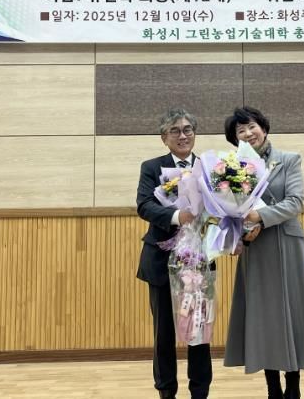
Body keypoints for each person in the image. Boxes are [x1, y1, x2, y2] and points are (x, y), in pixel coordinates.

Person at [223, 106, 304, 399]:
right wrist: (239, 231)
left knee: (291, 312)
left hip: (287, 244)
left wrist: (259, 216)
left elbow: (295, 202)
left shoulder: (289, 159)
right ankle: (272, 387)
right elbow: (229, 210)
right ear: (235, 139)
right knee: (263, 315)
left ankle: (293, 384)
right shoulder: (231, 169)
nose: (248, 133)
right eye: (240, 131)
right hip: (256, 247)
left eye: (251, 126)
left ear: (264, 128)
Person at [136, 108, 212, 399]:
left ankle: (200, 393)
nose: (183, 135)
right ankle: (166, 393)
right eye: (175, 131)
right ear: (164, 138)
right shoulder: (151, 167)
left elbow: (224, 208)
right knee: (164, 333)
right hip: (161, 260)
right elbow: (144, 205)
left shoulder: (210, 167)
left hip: (198, 261)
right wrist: (177, 216)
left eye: (188, 129)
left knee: (199, 332)